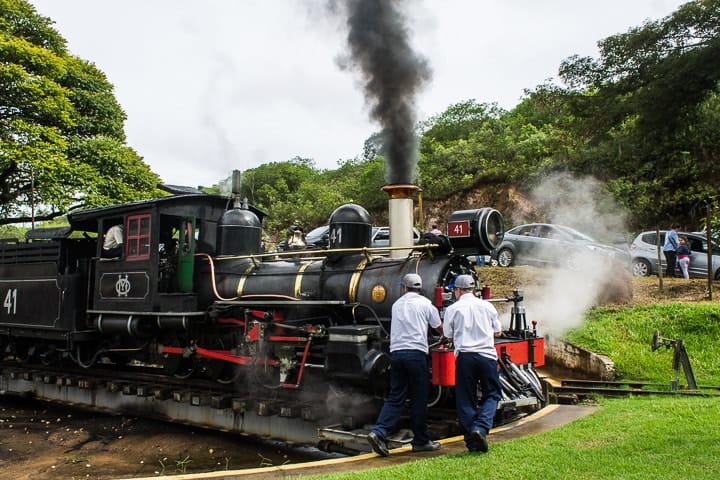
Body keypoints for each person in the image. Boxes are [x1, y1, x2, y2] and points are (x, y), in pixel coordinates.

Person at [367, 273, 443, 457]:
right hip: (416, 354)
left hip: (397, 354)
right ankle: (421, 441)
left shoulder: (396, 305)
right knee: (419, 398)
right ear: (420, 288)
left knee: (395, 396)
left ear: (404, 287)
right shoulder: (426, 304)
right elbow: (439, 327)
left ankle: (379, 431)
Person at [442, 274, 502, 453]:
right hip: (486, 356)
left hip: (465, 357)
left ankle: (472, 442)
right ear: (474, 290)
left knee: (465, 400)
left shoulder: (453, 309)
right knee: (492, 394)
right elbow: (498, 332)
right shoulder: (487, 306)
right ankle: (481, 428)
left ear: (458, 291)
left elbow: (448, 335)